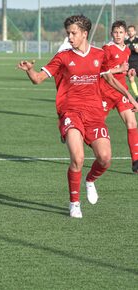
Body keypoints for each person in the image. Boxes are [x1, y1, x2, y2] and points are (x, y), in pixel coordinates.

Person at [17, 15, 135, 218]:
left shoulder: (99, 55)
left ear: (84, 34)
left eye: (73, 33)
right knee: (78, 158)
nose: (70, 37)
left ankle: (90, 180)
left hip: (94, 113)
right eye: (68, 33)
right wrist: (30, 70)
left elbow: (109, 79)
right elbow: (38, 79)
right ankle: (74, 202)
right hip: (70, 112)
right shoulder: (63, 57)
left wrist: (129, 96)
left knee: (105, 159)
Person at [100, 20, 138, 173]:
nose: (118, 35)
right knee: (95, 124)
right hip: (105, 91)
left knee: (132, 123)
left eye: (121, 32)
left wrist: (128, 71)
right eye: (115, 32)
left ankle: (136, 161)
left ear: (125, 34)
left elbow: (123, 68)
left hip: (121, 91)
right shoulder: (106, 49)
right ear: (111, 34)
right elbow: (102, 71)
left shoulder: (127, 50)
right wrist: (119, 69)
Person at [125, 25, 138, 98]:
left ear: (135, 32)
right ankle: (137, 95)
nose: (130, 32)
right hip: (130, 64)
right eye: (129, 31)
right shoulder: (125, 42)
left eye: (132, 31)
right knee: (131, 79)